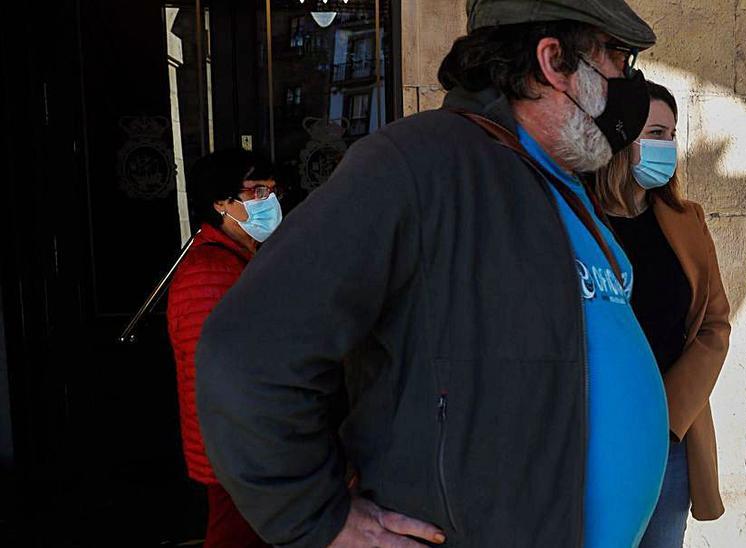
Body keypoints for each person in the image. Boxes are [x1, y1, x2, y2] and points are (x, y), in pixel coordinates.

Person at [193, 1, 670, 547]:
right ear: (553, 61)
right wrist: (317, 519)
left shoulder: (559, 185)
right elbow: (247, 347)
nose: (628, 81)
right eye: (616, 57)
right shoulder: (419, 163)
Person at [592, 80, 730, 547]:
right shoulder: (578, 216)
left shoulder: (686, 220)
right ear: (619, 136)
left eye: (671, 135)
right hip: (596, 433)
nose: (666, 147)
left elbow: (714, 325)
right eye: (654, 133)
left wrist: (667, 420)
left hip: (669, 438)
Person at [165, 149, 280, 548]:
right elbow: (218, 379)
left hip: (245, 448)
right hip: (234, 452)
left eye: (271, 189)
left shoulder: (240, 261)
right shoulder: (209, 274)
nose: (269, 200)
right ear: (221, 203)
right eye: (256, 191)